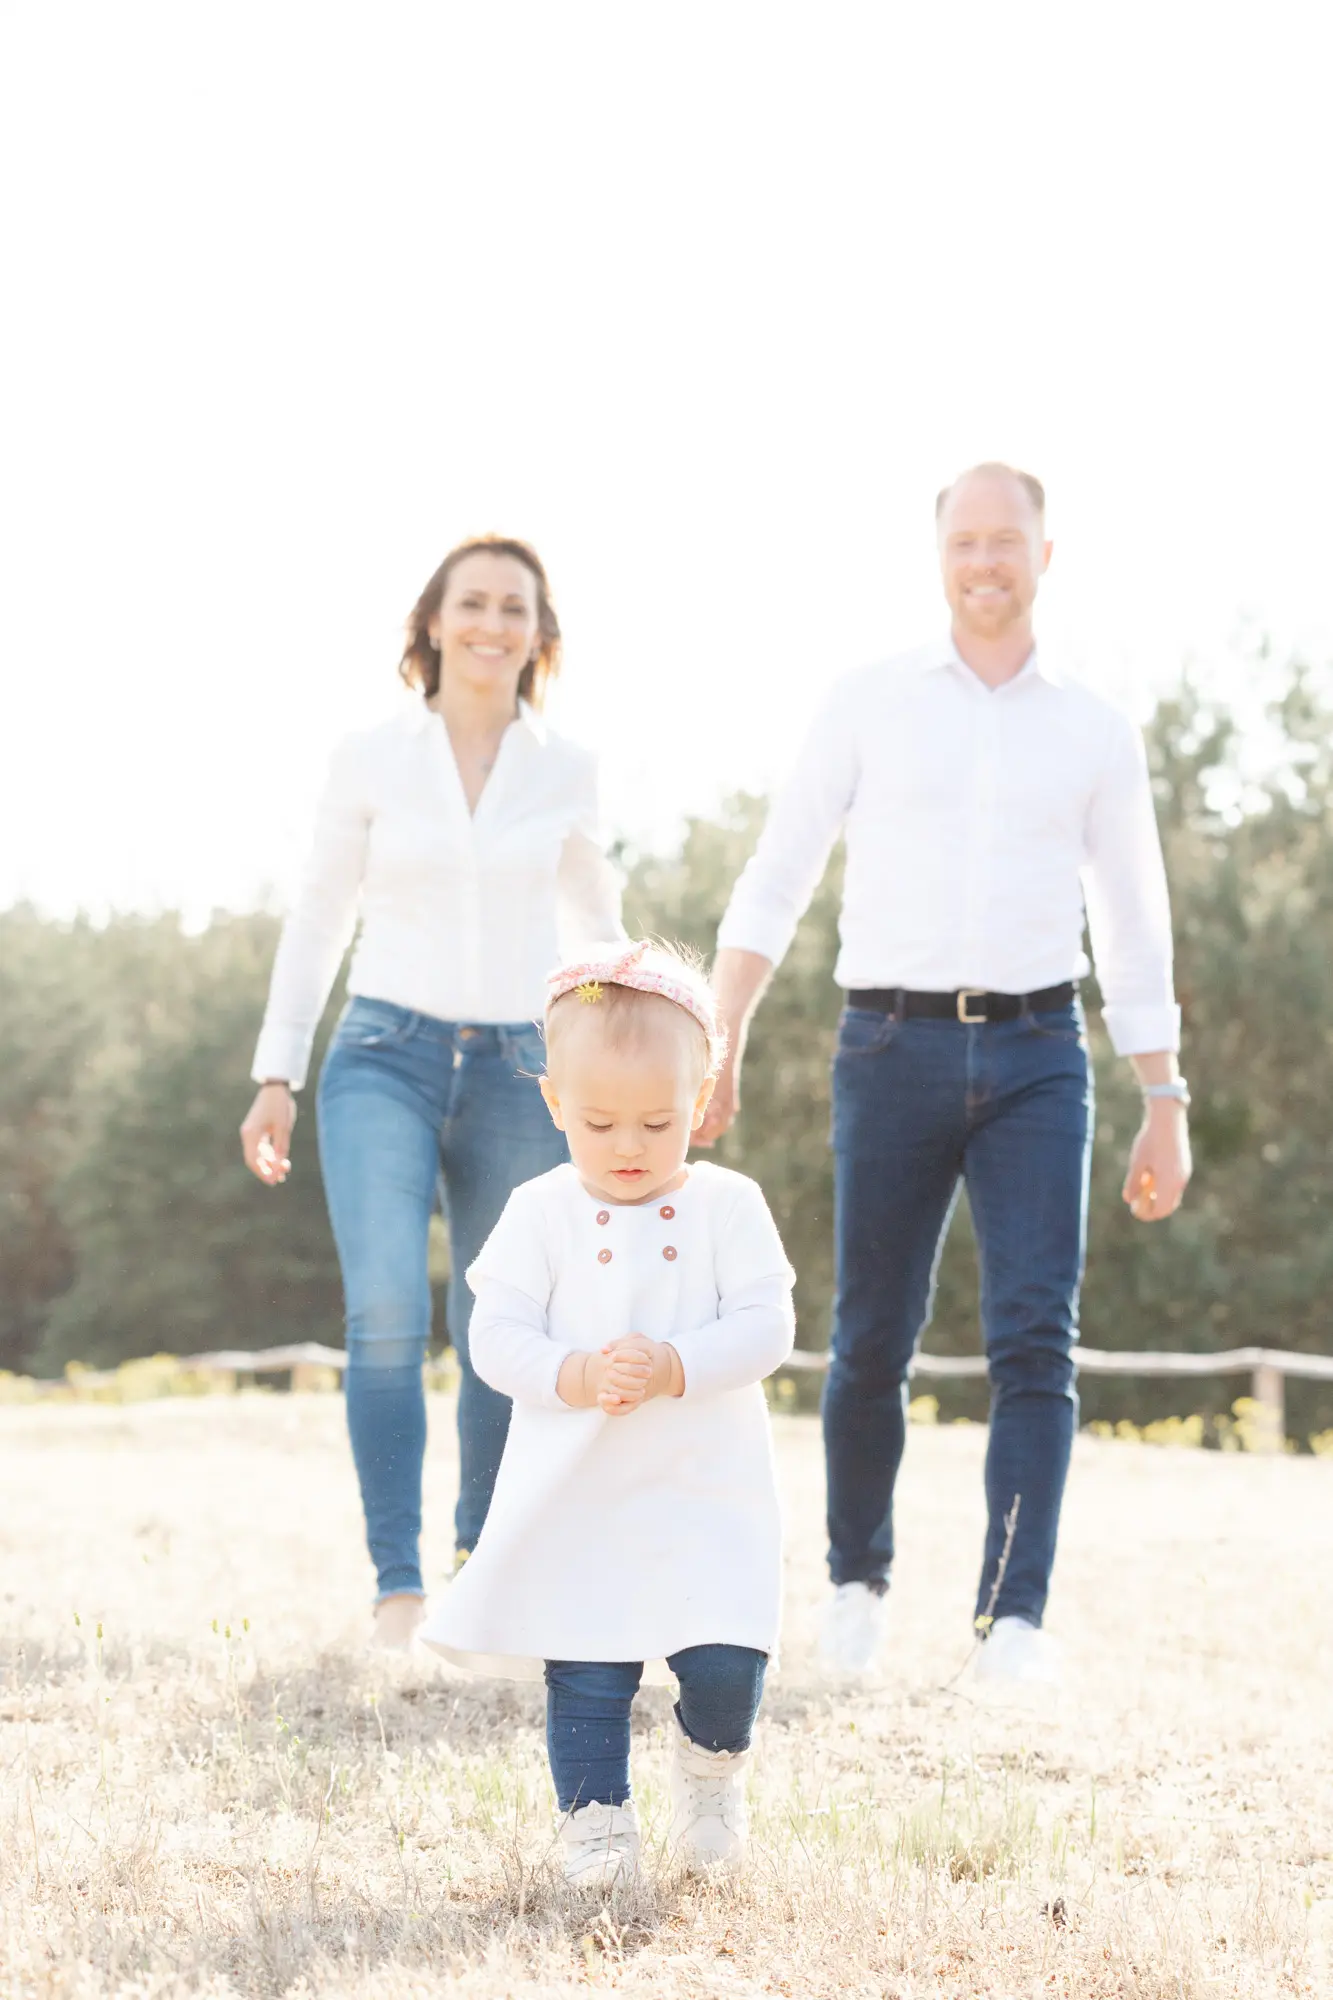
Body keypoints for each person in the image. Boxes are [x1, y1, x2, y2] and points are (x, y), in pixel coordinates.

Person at [703, 463, 1191, 1686]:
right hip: (887, 1046)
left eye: (1006, 541)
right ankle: (855, 1583)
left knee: (1036, 1337)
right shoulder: (867, 701)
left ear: (1043, 553)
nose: (985, 562)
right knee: (873, 1333)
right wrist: (724, 1030)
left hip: (1039, 1054)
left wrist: (1162, 1093)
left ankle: (1010, 1619)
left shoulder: (1092, 727)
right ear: (939, 556)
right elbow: (777, 873)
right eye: (964, 541)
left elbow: (1134, 921)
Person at [240, 535, 623, 1650]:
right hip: (381, 1054)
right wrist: (278, 1070)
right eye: (472, 603)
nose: (491, 623)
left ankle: (482, 1571)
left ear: (538, 634)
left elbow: (599, 923)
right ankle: (398, 1588)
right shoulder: (370, 756)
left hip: (519, 1066)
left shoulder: (567, 768)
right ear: (433, 622)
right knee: (387, 1317)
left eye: (515, 606)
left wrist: (657, 1046)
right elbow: (318, 914)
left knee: (496, 1320)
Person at [420, 941, 795, 1885]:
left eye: (656, 1122)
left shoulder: (728, 1204)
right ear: (553, 1105)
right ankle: (594, 1822)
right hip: (579, 1490)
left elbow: (766, 1326)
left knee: (722, 1660)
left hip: (706, 1489)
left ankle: (711, 1770)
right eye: (598, 1123)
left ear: (701, 1097)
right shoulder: (537, 1212)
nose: (628, 1147)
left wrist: (675, 1363)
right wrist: (574, 1375)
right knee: (586, 1668)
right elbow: (494, 1336)